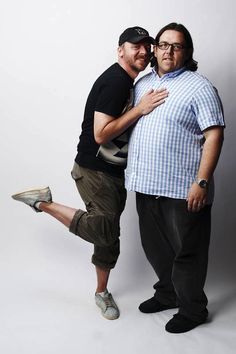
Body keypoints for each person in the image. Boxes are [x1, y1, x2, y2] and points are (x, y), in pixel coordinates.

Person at [12, 26, 168, 320]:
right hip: (94, 169)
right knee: (106, 230)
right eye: (135, 46)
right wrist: (140, 109)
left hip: (113, 170)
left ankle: (101, 292)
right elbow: (100, 134)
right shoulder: (116, 81)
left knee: (109, 237)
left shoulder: (129, 81)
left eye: (147, 46)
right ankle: (42, 202)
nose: (144, 51)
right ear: (120, 50)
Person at [125, 22, 225, 333]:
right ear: (154, 49)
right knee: (156, 248)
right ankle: (168, 294)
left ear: (187, 52)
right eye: (164, 44)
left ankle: (193, 310)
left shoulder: (200, 86)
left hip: (183, 188)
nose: (169, 50)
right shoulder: (142, 83)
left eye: (177, 46)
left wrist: (202, 182)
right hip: (146, 184)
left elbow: (214, 135)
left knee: (187, 252)